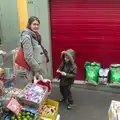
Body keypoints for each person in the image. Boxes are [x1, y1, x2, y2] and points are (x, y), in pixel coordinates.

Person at [20, 16, 49, 84]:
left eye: (37, 24)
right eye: (34, 24)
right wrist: (37, 69)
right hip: (35, 69)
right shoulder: (27, 37)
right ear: (29, 24)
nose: (36, 26)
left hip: (40, 64)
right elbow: (28, 57)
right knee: (37, 88)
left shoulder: (35, 34)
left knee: (41, 88)